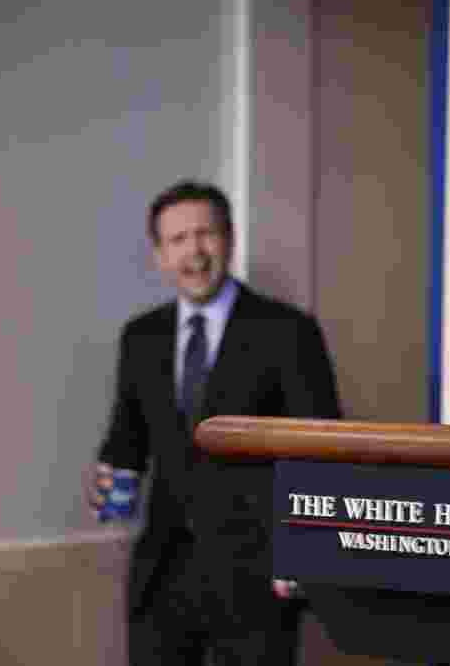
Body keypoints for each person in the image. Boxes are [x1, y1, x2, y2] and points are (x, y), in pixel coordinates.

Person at [89, 180, 342, 665]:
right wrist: (112, 484)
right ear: (160, 255)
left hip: (257, 577)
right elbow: (128, 441)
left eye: (206, 234)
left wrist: (303, 554)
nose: (195, 251)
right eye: (178, 240)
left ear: (229, 240)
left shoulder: (288, 332)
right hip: (163, 577)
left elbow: (320, 454)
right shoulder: (140, 337)